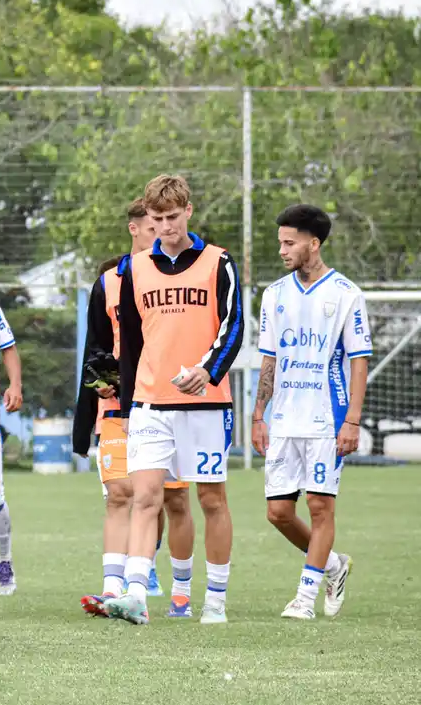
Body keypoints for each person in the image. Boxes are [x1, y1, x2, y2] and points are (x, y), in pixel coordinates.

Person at [99, 174, 243, 626]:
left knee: (212, 500)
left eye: (172, 217)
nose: (165, 226)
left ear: (188, 212)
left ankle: (215, 600)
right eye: (157, 218)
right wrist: (126, 402)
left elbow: (234, 327)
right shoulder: (133, 268)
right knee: (146, 498)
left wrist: (207, 371)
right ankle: (137, 594)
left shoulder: (219, 262)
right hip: (149, 404)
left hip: (206, 404)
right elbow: (132, 344)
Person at [253, 204, 366, 620]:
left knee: (320, 506)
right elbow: (269, 359)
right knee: (278, 512)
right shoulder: (274, 295)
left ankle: (305, 596)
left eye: (289, 242)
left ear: (313, 244)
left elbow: (358, 360)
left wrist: (352, 420)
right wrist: (257, 415)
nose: (282, 250)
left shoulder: (346, 294)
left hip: (326, 418)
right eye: (280, 242)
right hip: (283, 417)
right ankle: (334, 565)